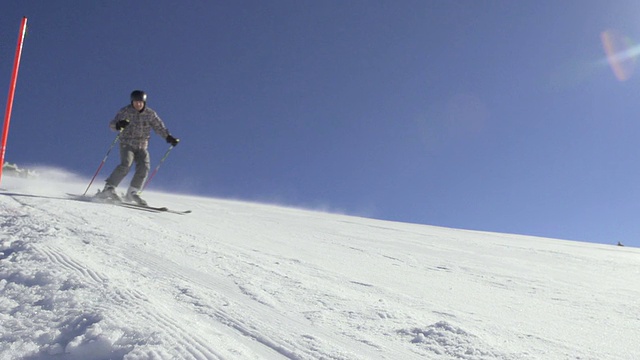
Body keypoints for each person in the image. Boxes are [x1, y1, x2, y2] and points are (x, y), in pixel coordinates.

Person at [98, 90, 179, 205]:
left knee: (144, 167)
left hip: (142, 146)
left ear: (144, 102)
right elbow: (112, 124)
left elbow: (159, 127)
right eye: (136, 102)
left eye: (140, 102)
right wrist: (118, 125)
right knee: (126, 164)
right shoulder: (125, 111)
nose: (138, 104)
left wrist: (169, 137)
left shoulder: (150, 114)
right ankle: (109, 188)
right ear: (132, 101)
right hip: (127, 143)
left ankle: (132, 192)